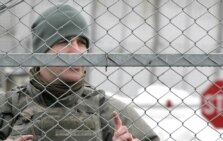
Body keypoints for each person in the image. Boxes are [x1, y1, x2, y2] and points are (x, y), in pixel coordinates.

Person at [0, 4, 159, 141]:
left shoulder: (110, 110)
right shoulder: (7, 107)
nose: (76, 50)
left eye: (82, 42)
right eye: (64, 41)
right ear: (42, 52)